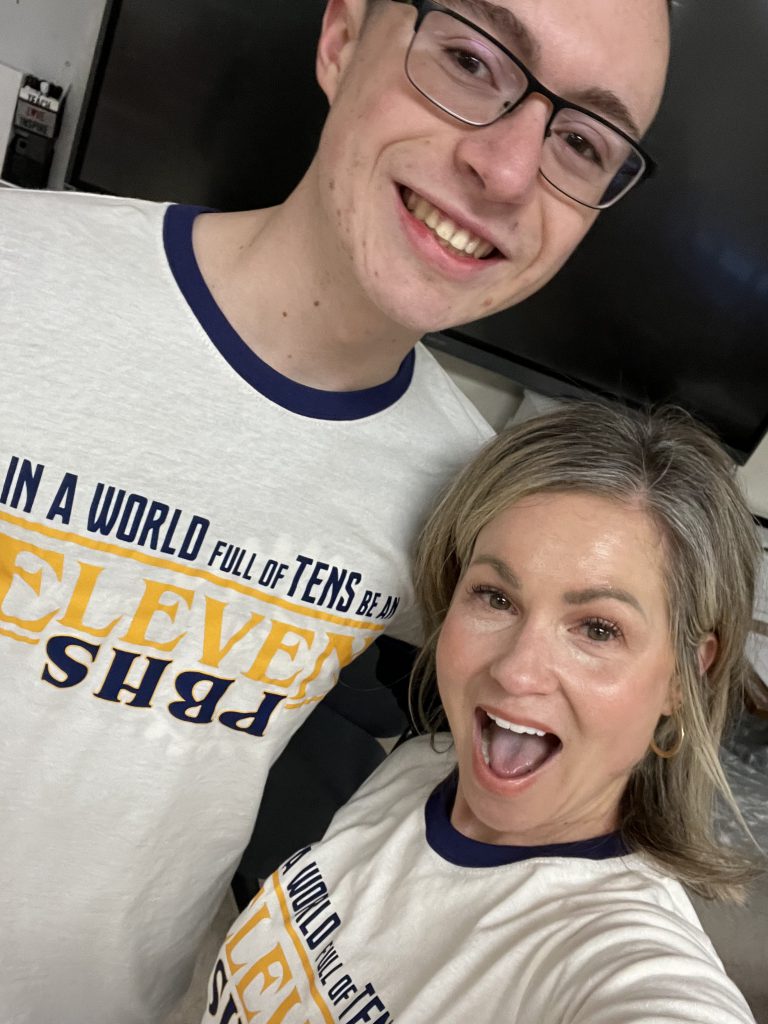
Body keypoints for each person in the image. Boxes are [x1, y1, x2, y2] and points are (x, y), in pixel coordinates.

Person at [0, 0, 671, 1020]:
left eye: (581, 139)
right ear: (343, 36)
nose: (506, 169)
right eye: (471, 59)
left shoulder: (471, 504)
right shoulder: (20, 274)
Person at [204, 403, 763, 1024]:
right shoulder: (418, 769)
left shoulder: (623, 963)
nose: (517, 670)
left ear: (686, 677)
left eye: (598, 629)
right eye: (495, 596)